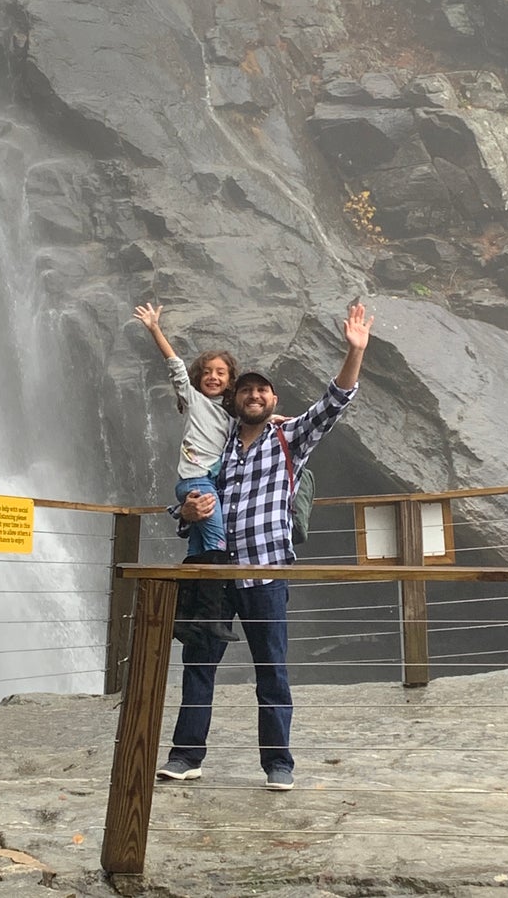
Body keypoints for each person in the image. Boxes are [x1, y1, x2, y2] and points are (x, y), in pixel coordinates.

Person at [156, 301, 375, 791]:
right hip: (215, 570)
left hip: (266, 572)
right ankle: (186, 755)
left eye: (263, 389)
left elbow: (334, 402)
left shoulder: (290, 440)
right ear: (235, 398)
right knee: (198, 665)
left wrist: (354, 351)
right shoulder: (220, 448)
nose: (254, 395)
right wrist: (184, 514)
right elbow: (194, 502)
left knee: (271, 671)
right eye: (247, 389)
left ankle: (279, 764)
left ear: (273, 400)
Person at [133, 301, 240, 644]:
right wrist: (154, 329)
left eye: (220, 372)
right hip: (196, 482)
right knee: (218, 544)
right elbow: (175, 366)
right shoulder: (194, 401)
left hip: (203, 482)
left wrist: (277, 419)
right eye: (207, 371)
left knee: (197, 552)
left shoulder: (229, 418)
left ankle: (181, 618)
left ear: (229, 381)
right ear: (198, 378)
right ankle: (210, 618)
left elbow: (258, 420)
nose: (213, 376)